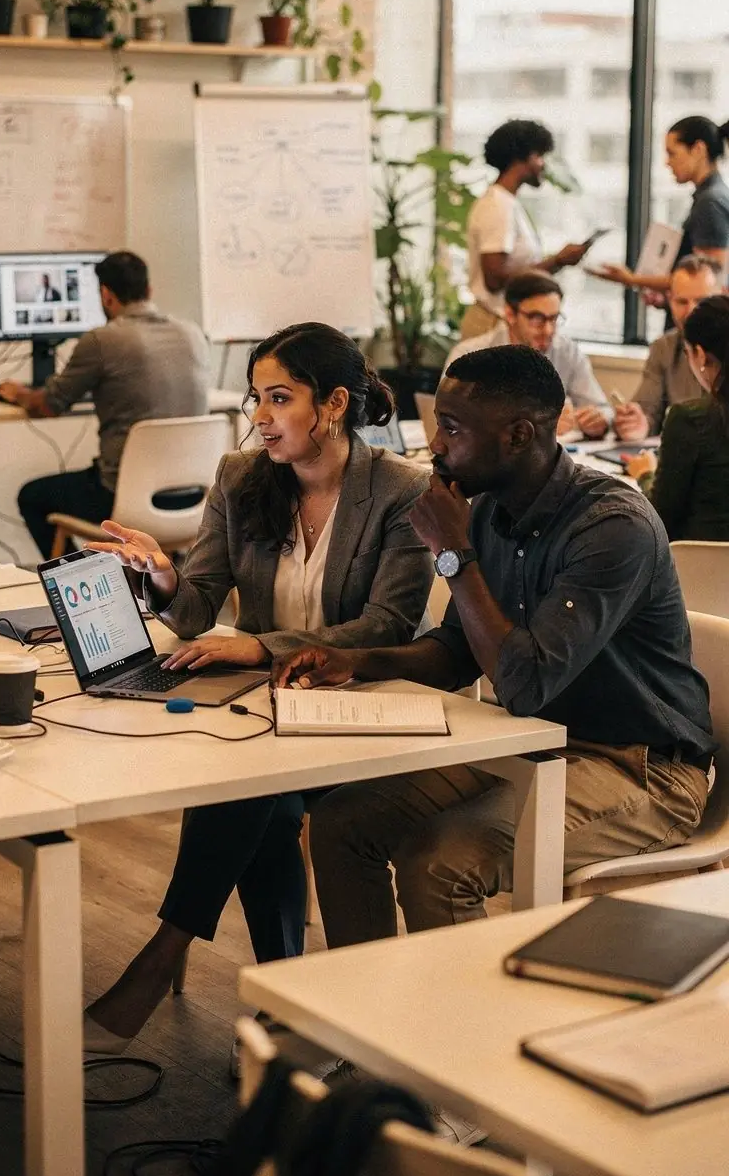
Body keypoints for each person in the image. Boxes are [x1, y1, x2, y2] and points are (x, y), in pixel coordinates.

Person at [274, 345, 714, 951]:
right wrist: (357, 662)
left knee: (440, 863)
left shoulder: (611, 527)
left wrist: (454, 556)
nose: (434, 444)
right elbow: (459, 650)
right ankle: (363, 1034)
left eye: (452, 428)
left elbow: (524, 685)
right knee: (343, 821)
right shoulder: (485, 511)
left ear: (518, 435)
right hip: (532, 746)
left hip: (639, 766)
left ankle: (458, 1045)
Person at [81, 322, 434, 1053]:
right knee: (256, 787)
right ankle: (283, 993)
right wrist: (165, 577)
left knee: (251, 784)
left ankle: (167, 950)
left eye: (280, 398)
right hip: (265, 705)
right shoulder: (242, 478)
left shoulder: (401, 489)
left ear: (333, 404)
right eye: (255, 399)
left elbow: (387, 626)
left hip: (361, 706)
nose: (260, 417)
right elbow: (195, 607)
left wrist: (260, 644)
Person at [0, 251, 211, 559]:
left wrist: (18, 393)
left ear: (106, 296)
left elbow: (48, 406)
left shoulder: (102, 340)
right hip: (193, 500)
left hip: (123, 500)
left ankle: (80, 581)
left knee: (32, 496)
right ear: (149, 290)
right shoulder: (193, 334)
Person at [462, 119, 591, 340]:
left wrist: (559, 262)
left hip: (503, 324)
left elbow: (518, 275)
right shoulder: (497, 205)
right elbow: (494, 280)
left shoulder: (507, 203)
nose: (544, 165)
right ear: (524, 158)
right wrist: (557, 261)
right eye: (540, 156)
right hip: (491, 325)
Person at [446, 272, 609, 438]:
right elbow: (452, 417)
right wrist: (536, 423)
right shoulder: (469, 355)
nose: (548, 330)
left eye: (553, 319)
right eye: (537, 318)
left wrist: (601, 421)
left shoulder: (567, 352)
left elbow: (603, 408)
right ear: (510, 314)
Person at [626, 296, 729, 541]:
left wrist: (645, 475)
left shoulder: (690, 418)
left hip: (698, 573)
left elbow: (660, 518)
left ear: (701, 355)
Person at [600, 117, 729, 302]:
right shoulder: (712, 197)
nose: (667, 163)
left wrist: (632, 279)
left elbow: (707, 278)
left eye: (672, 153)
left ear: (698, 149)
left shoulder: (711, 202)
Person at [615, 255, 718, 441]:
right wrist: (639, 425)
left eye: (701, 301)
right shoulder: (663, 348)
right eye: (682, 302)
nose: (691, 312)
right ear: (670, 300)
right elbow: (647, 411)